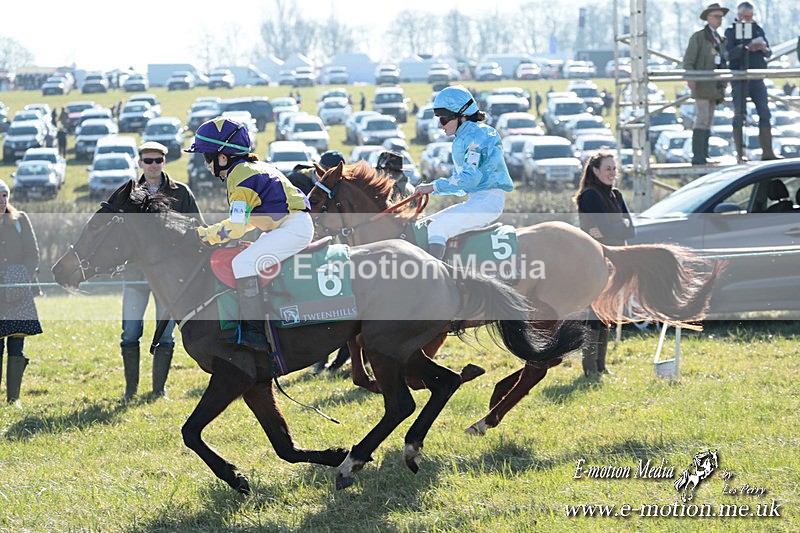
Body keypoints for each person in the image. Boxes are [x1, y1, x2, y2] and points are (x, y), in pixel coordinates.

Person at [185, 117, 312, 352]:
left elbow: (236, 228)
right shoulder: (252, 168)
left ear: (223, 157)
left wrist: (204, 235)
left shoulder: (240, 176)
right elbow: (248, 222)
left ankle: (254, 332)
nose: (206, 164)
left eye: (207, 157)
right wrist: (210, 233)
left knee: (242, 263)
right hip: (289, 226)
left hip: (292, 228)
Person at [119, 142, 204, 400]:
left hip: (169, 278)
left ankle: (159, 390)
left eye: (158, 160)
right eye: (148, 160)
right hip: (136, 276)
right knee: (130, 333)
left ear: (164, 162)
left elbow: (198, 228)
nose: (153, 165)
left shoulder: (182, 192)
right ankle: (130, 390)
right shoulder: (128, 195)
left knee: (166, 334)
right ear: (140, 163)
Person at [413, 85, 514, 260]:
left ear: (462, 115)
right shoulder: (463, 138)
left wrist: (433, 186)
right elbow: (462, 186)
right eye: (438, 119)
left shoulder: (478, 135)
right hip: (477, 200)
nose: (440, 125)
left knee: (437, 228)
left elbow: (470, 179)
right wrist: (433, 188)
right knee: (426, 225)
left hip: (488, 202)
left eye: (444, 119)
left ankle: (434, 275)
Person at [574, 152, 635, 377]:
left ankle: (601, 365)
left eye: (614, 168)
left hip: (615, 259)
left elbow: (631, 229)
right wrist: (619, 226)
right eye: (608, 168)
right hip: (595, 260)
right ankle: (590, 367)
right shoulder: (590, 195)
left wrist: (614, 229)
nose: (612, 173)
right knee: (593, 313)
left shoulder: (616, 194)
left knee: (606, 312)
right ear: (596, 170)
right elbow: (611, 229)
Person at [0, 179, 42, 404]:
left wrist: (20, 279)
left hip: (19, 291)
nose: (2, 200)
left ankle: (13, 398)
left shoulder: (20, 219)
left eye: (4, 195)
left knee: (16, 344)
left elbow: (33, 254)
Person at [725, 1, 778, 162]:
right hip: (739, 78)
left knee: (764, 113)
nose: (748, 19)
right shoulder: (730, 32)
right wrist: (746, 47)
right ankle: (740, 153)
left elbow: (769, 52)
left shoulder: (758, 29)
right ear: (739, 16)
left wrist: (763, 48)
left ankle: (767, 152)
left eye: (751, 16)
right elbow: (728, 54)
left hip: (757, 78)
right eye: (745, 16)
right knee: (739, 114)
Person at [683, 3, 729, 165]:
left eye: (721, 17)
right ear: (708, 18)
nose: (719, 20)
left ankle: (704, 154)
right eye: (716, 16)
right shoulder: (699, 37)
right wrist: (691, 78)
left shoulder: (720, 39)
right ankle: (698, 156)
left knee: (708, 120)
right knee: (702, 118)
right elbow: (689, 60)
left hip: (715, 86)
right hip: (702, 85)